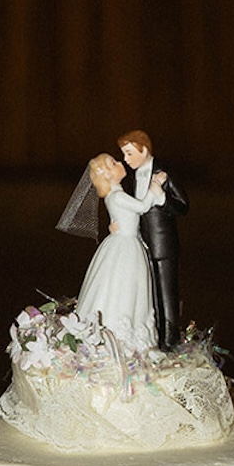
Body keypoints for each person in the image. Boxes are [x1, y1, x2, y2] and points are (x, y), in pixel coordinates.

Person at [73, 152, 166, 353]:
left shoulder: (115, 196)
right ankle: (116, 340)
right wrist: (154, 186)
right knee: (124, 286)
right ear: (108, 175)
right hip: (126, 247)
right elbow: (141, 207)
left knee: (128, 288)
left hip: (127, 242)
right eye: (113, 163)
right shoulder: (117, 196)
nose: (119, 162)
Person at [118, 131, 188, 350]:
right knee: (149, 294)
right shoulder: (130, 178)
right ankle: (154, 336)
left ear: (144, 149)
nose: (126, 160)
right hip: (139, 244)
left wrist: (163, 199)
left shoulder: (163, 174)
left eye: (129, 154)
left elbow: (183, 206)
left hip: (163, 244)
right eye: (124, 155)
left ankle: (170, 341)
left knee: (167, 294)